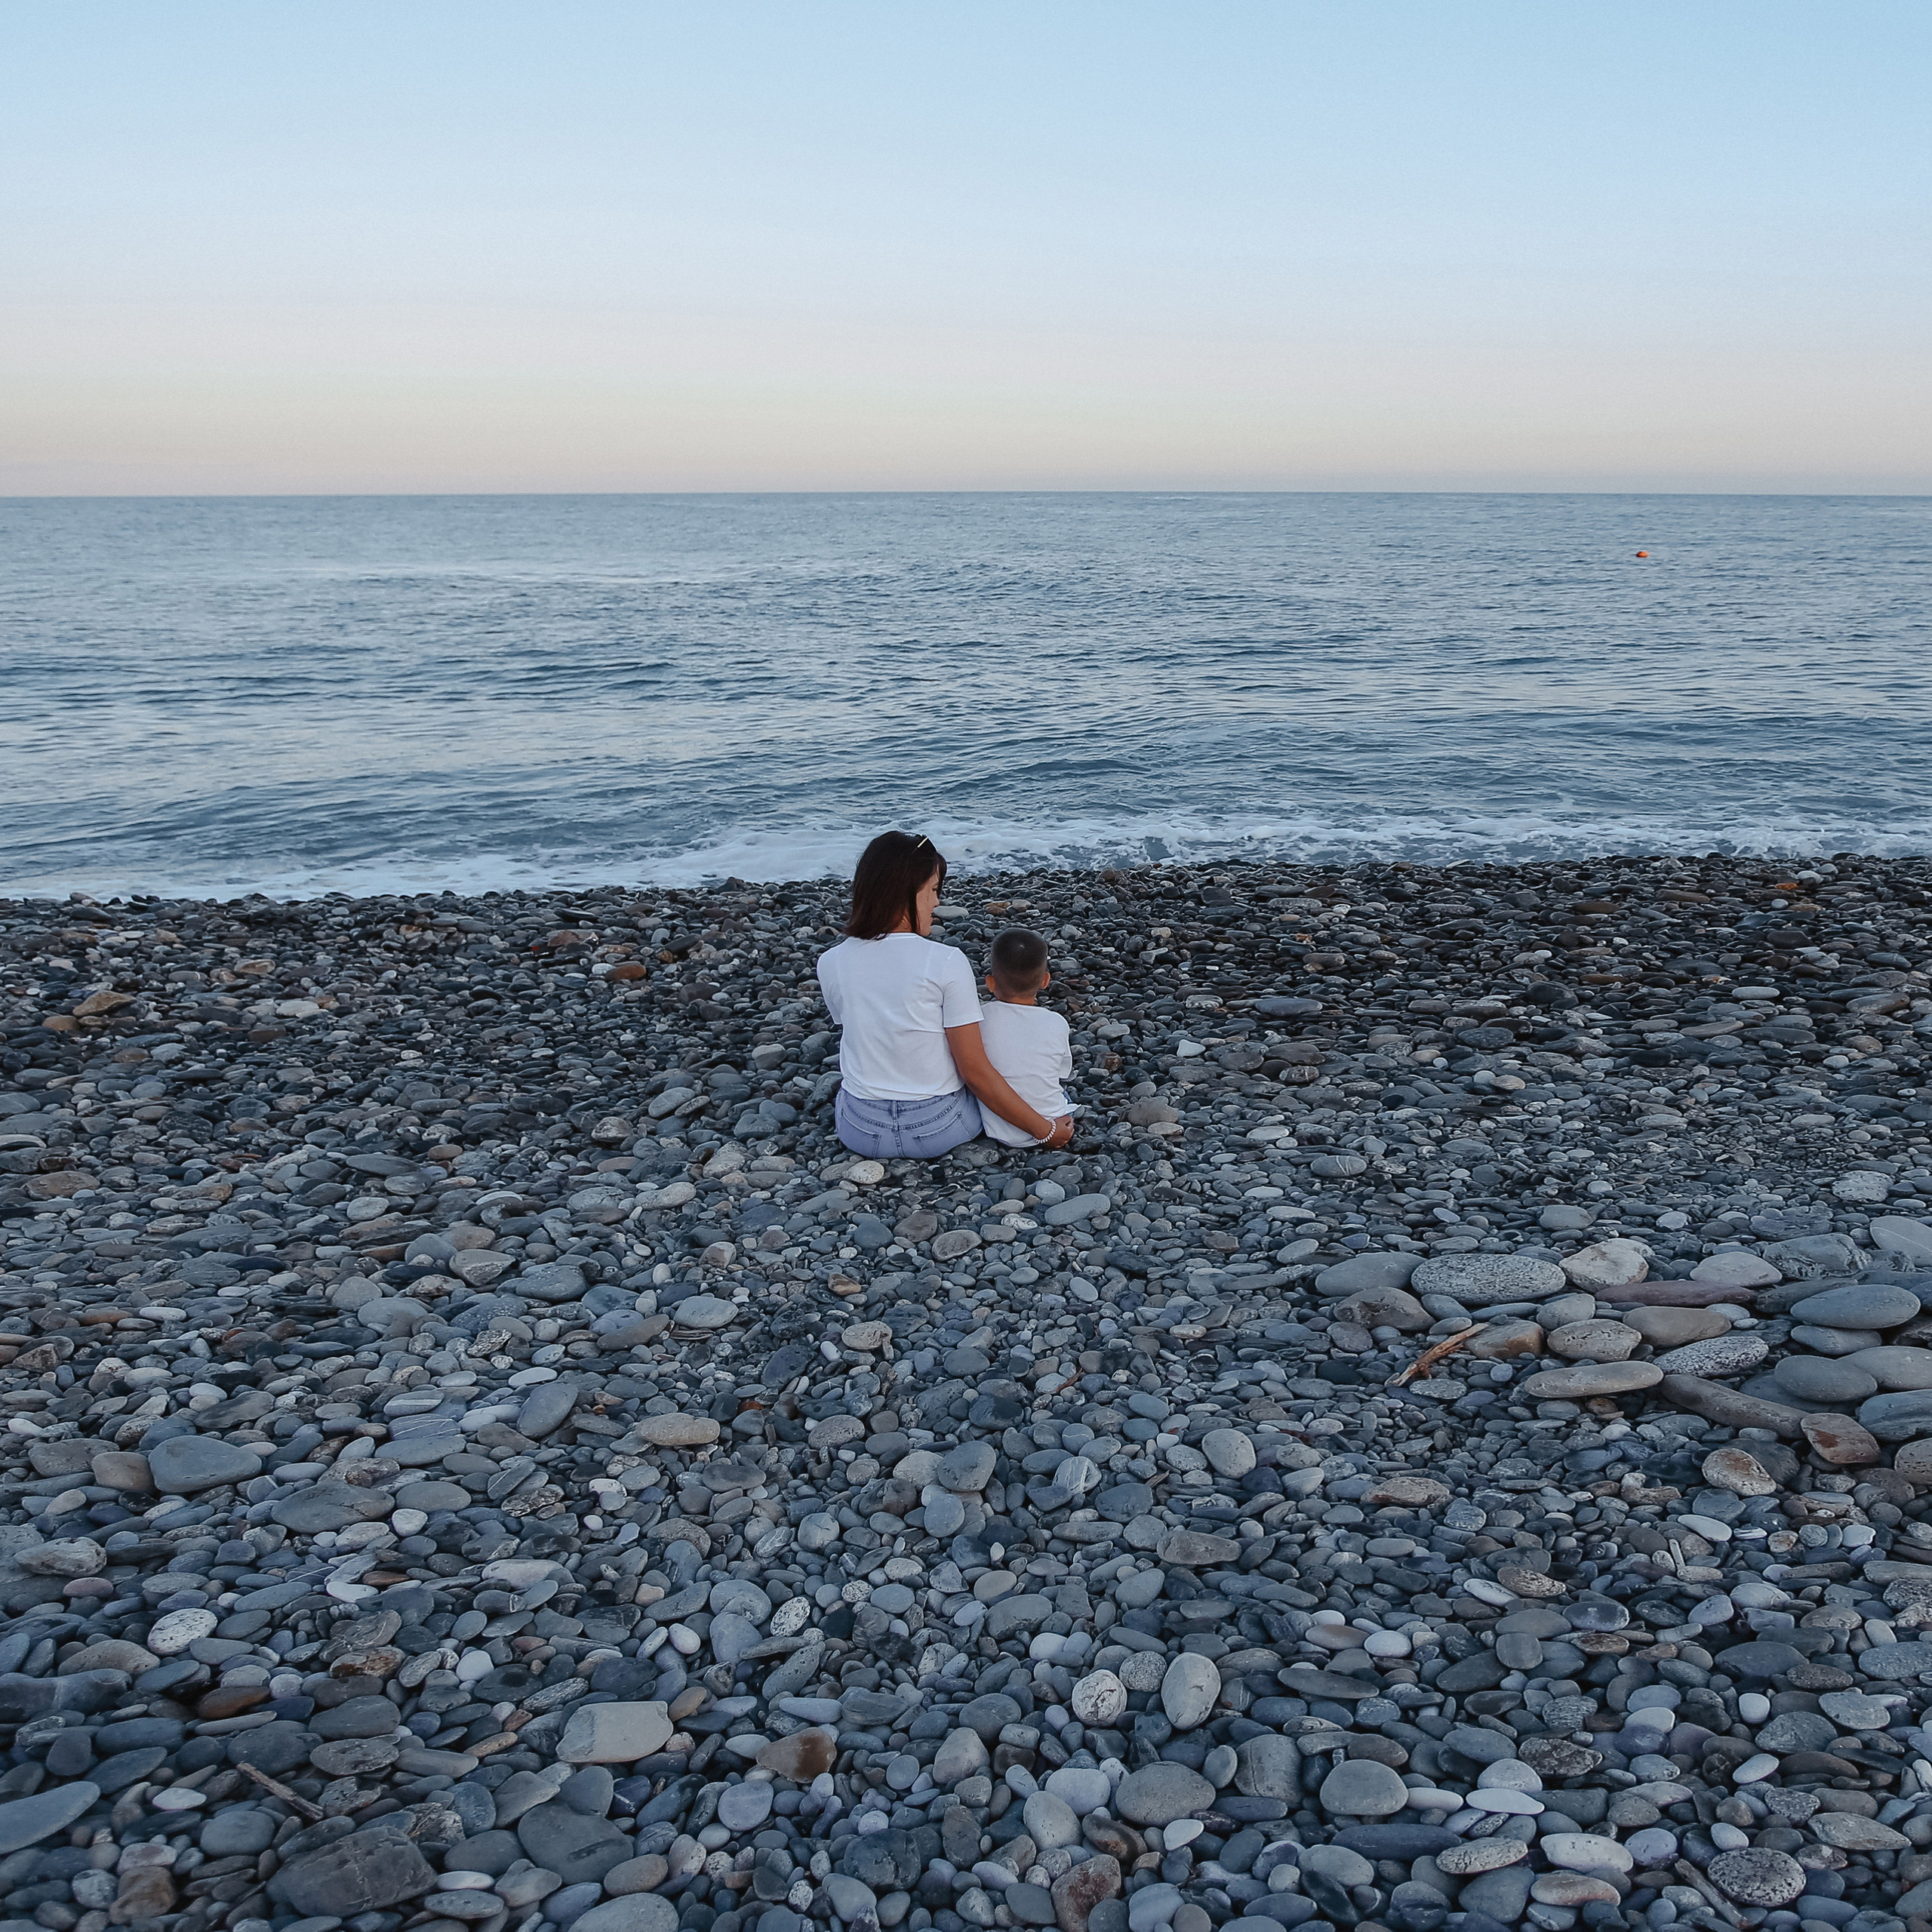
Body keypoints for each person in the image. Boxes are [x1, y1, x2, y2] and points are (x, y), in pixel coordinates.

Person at [816, 832, 1075, 1159]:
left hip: (862, 1131)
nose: (938, 902)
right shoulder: (945, 961)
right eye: (934, 890)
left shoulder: (831, 962)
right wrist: (1046, 1131)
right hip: (937, 1128)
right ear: (910, 891)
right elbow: (975, 1072)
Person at [973, 928, 1077, 1148]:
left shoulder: (979, 1018)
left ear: (990, 983)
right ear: (1045, 981)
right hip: (1053, 1121)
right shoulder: (1056, 1022)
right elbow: (1062, 1071)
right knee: (1060, 1088)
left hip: (996, 1127)